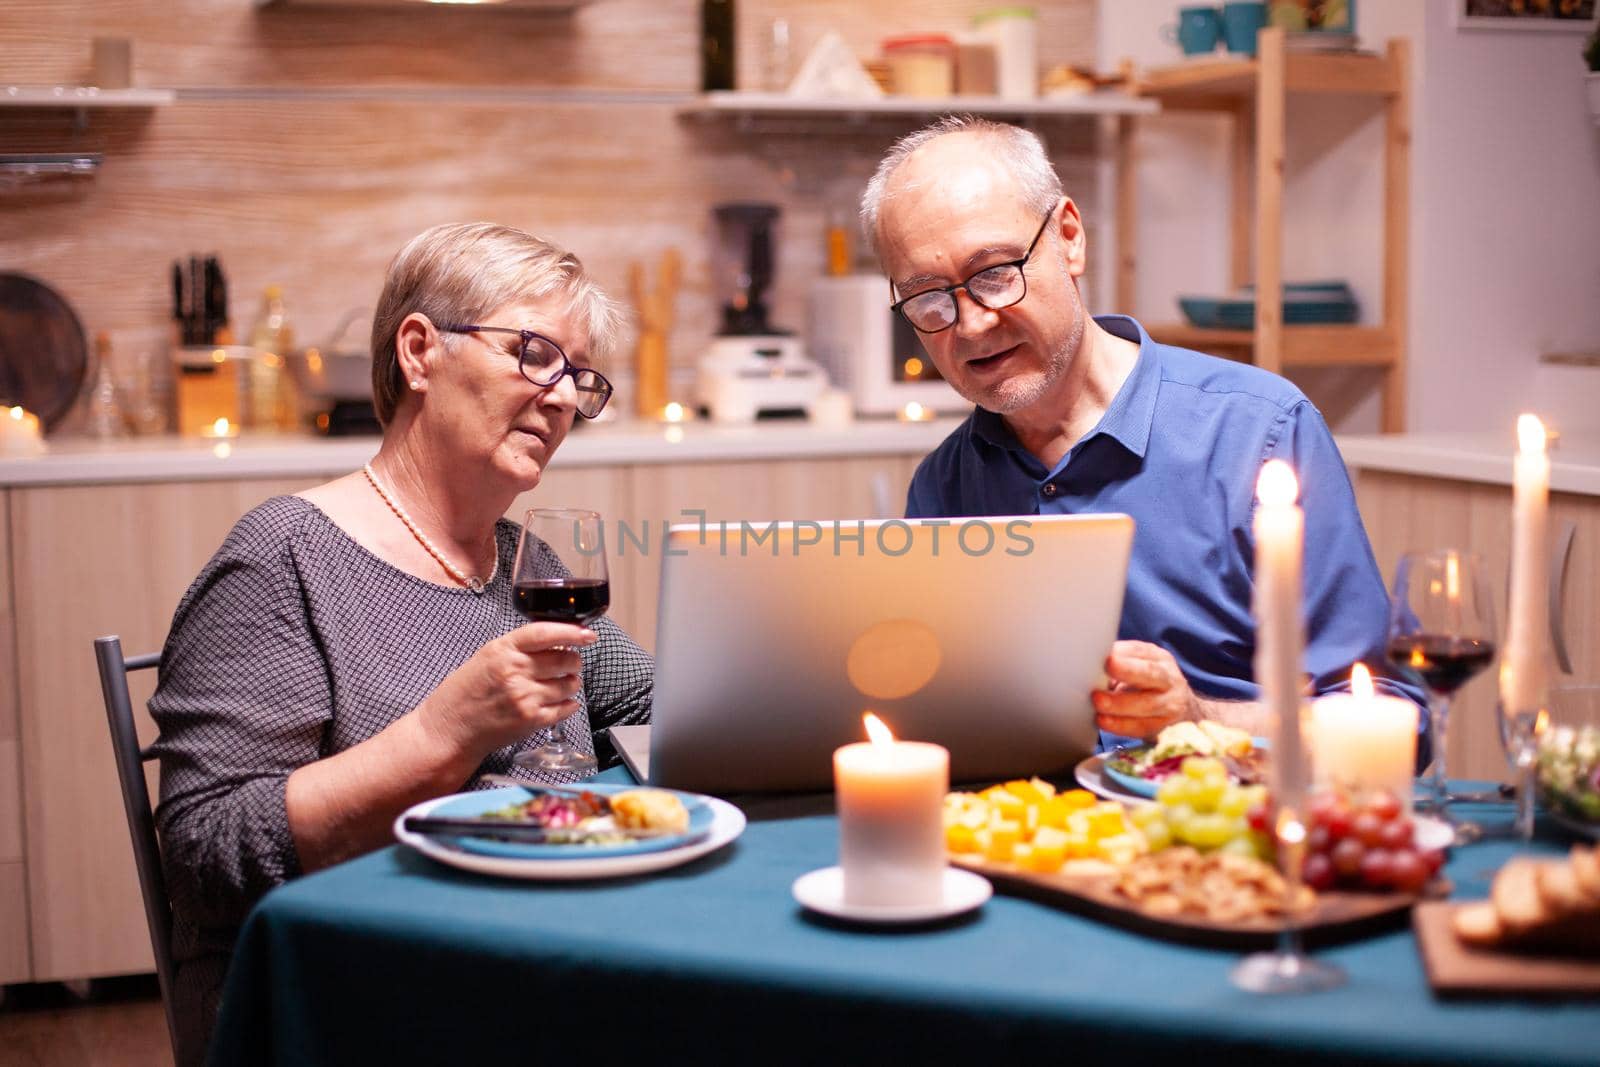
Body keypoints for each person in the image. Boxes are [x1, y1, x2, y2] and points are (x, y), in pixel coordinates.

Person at [148, 222, 652, 1065]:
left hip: (532, 964)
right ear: (419, 351)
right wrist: (442, 734)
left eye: (580, 377)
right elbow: (205, 852)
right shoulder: (283, 558)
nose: (564, 397)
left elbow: (657, 706)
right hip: (357, 998)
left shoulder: (526, 563)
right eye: (534, 354)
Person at [860, 116, 1422, 745]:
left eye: (993, 273)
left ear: (1069, 238)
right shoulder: (942, 486)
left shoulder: (1257, 431)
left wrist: (1201, 721)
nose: (968, 326)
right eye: (929, 297)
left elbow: (1395, 722)